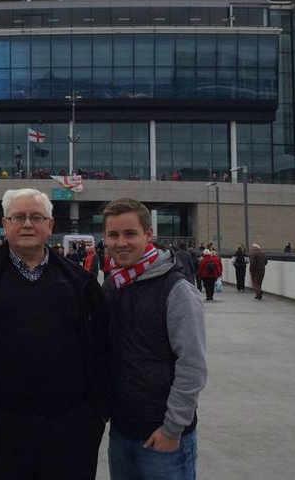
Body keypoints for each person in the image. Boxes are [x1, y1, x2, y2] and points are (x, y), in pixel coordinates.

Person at [0, 188, 106, 480]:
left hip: (69, 430)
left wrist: (98, 413)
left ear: (50, 225)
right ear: (5, 225)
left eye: (36, 217)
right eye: (18, 217)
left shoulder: (79, 281)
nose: (27, 224)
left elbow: (101, 346)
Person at [100, 199, 207, 480]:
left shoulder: (177, 289)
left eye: (130, 234)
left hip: (164, 437)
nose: (120, 243)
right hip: (122, 431)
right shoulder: (113, 285)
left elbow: (193, 366)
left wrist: (172, 429)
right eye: (113, 235)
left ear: (149, 234)